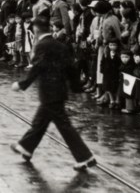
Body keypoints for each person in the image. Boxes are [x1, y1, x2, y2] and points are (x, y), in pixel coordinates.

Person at [11, 16, 96, 170]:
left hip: (49, 92)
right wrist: (76, 86)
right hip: (58, 90)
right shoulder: (60, 45)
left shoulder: (42, 45)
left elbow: (37, 66)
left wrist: (23, 84)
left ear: (36, 29)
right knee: (40, 122)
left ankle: (85, 157)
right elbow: (71, 67)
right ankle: (26, 147)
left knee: (63, 126)